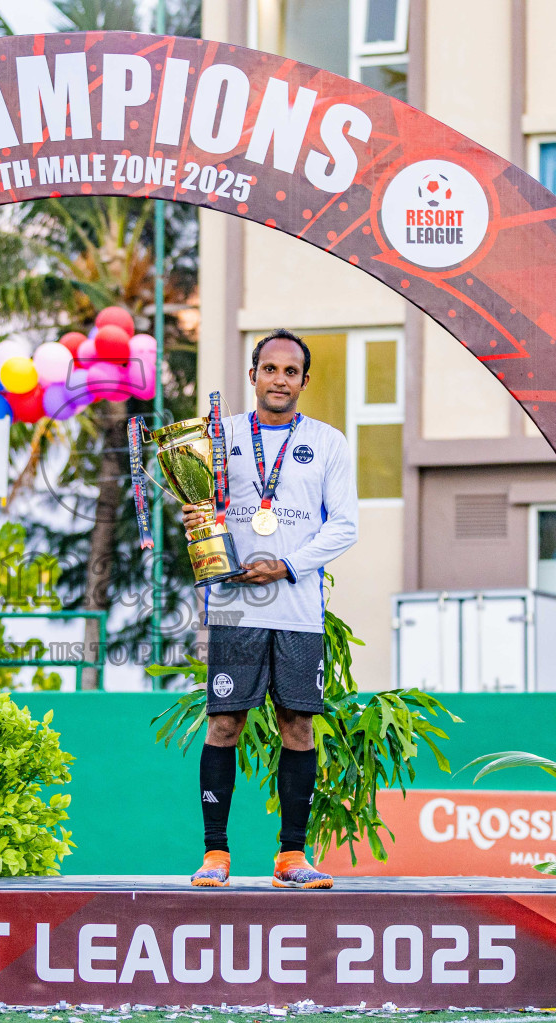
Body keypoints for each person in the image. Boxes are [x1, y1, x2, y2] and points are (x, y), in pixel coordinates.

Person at [183, 328, 358, 889]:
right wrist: (194, 519)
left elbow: (346, 526)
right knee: (225, 722)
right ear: (253, 374)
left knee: (298, 724)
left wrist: (286, 565)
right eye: (270, 369)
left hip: (298, 607)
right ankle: (215, 854)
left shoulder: (329, 443)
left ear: (305, 381)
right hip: (234, 604)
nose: (279, 379)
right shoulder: (217, 438)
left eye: (291, 371)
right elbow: (199, 505)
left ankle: (291, 858)